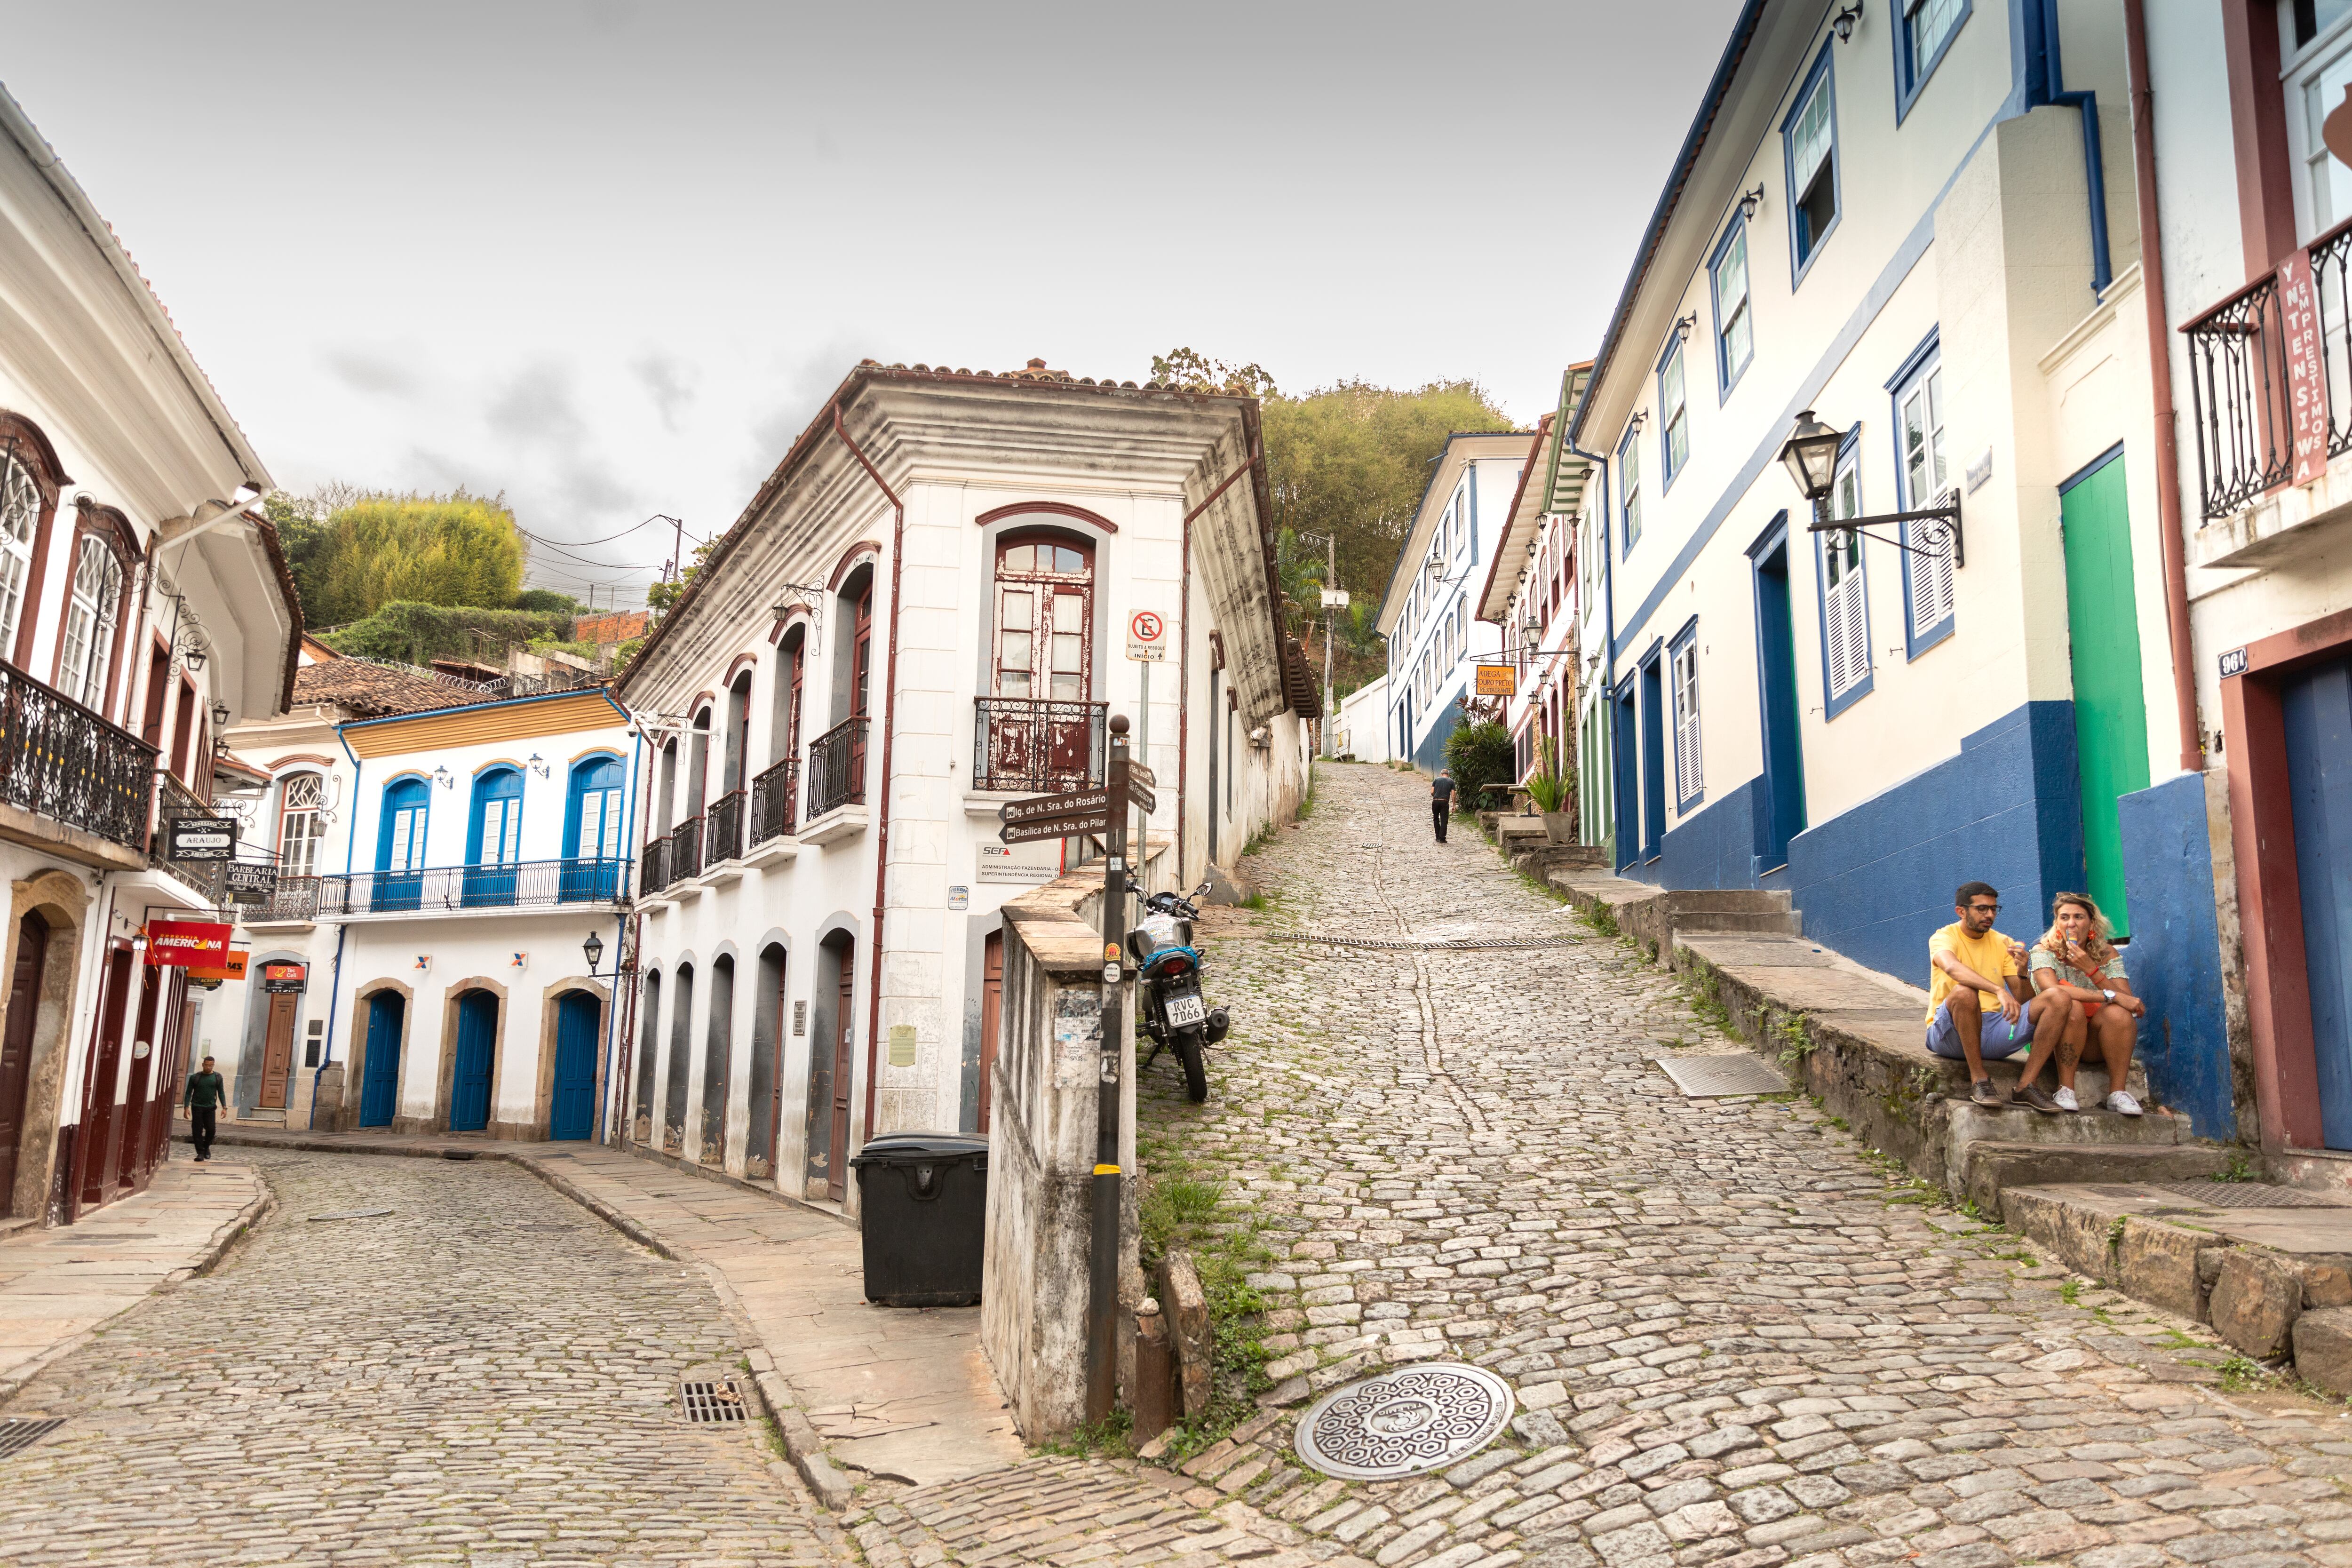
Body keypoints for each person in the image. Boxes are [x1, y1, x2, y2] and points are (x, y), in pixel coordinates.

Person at [1926, 882, 2077, 1109]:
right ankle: (1979, 1080)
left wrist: (2023, 973)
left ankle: (2026, 1086)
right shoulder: (1943, 937)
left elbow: (2025, 1000)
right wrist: (1997, 990)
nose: (1989, 915)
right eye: (1982, 909)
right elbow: (1951, 968)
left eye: (1994, 909)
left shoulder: (2003, 942)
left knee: (2059, 997)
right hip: (1949, 1034)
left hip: (1995, 1031)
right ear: (1961, 911)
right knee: (1965, 993)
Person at [2016, 891, 2145, 1116]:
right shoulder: (2044, 951)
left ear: (2092, 923)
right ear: (2057, 923)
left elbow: (2128, 1002)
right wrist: (2109, 996)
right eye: (2064, 917)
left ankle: (2118, 1093)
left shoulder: (2107, 953)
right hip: (2053, 1040)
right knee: (2071, 1004)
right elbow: (2052, 990)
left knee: (2119, 1015)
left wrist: (2091, 969)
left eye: (2079, 917)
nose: (2071, 923)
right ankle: (2066, 1089)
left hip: (2095, 1043)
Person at [184, 1055, 226, 1162]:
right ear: (203, 1065)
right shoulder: (195, 1077)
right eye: (207, 1065)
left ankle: (207, 1147)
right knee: (197, 1130)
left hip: (211, 1107)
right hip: (197, 1107)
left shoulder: (218, 1077)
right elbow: (189, 1093)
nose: (209, 1068)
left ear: (213, 1065)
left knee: (211, 1129)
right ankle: (200, 1153)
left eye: (211, 1066)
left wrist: (224, 1107)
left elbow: (221, 1092)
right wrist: (186, 1107)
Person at [1430, 768, 1455, 843]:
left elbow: (1432, 792)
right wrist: (1454, 805)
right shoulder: (1451, 782)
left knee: (1436, 818)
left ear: (1441, 774)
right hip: (1444, 802)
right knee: (1444, 820)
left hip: (1436, 801)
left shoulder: (1436, 780)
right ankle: (1442, 837)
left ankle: (1437, 836)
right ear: (1448, 775)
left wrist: (1437, 796)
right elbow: (1453, 795)